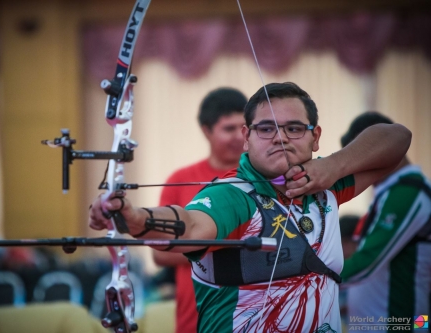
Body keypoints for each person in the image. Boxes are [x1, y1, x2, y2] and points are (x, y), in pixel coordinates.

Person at [89, 82, 411, 332]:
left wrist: (334, 167)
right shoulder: (234, 195)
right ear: (247, 137)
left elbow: (397, 139)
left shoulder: (323, 184)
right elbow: (192, 224)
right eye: (266, 128)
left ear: (315, 137)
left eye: (294, 128)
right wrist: (132, 218)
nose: (280, 138)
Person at [153, 87, 247, 333]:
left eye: (244, 128)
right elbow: (159, 253)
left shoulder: (265, 179)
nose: (239, 136)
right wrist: (225, 246)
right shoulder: (180, 179)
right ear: (207, 131)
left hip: (255, 313)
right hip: (195, 317)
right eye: (229, 128)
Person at [340, 112, 431, 331]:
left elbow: (367, 262)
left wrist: (310, 282)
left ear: (387, 148)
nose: (357, 167)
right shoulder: (391, 191)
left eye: (361, 157)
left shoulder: (408, 193)